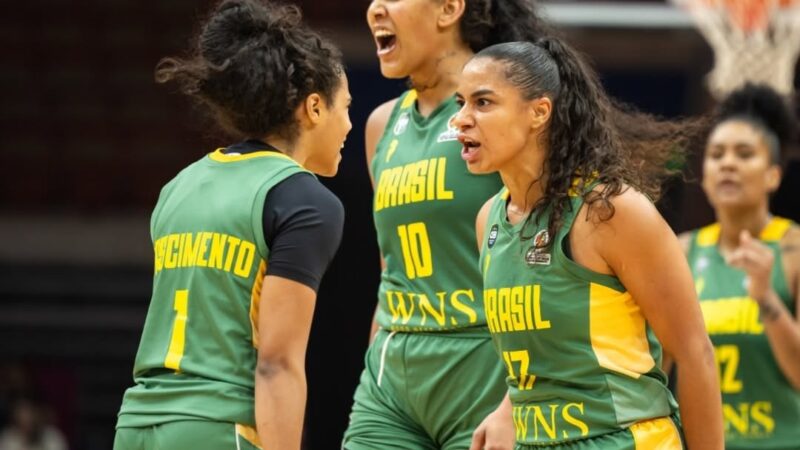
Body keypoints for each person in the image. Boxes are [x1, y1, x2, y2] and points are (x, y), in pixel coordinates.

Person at [453, 39, 724, 449]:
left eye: (483, 103)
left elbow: (694, 353)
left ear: (539, 112)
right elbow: (544, 351)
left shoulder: (609, 211)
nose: (460, 119)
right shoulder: (488, 219)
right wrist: (508, 410)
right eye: (461, 103)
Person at [114, 1, 351, 449]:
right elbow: (276, 364)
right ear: (315, 107)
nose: (349, 124)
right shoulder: (307, 201)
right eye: (346, 107)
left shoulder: (179, 186)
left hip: (136, 425)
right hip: (220, 426)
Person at [342, 1, 550, 449]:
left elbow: (547, 268)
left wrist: (518, 399)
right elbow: (390, 269)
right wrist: (372, 367)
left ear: (449, 8)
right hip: (392, 378)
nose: (375, 9)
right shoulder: (382, 124)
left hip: (483, 367)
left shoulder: (505, 115)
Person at [676, 83, 800, 449]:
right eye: (716, 155)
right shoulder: (682, 251)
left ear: (773, 175)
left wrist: (766, 298)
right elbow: (657, 365)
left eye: (744, 154)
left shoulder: (793, 250)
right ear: (705, 174)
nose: (727, 163)